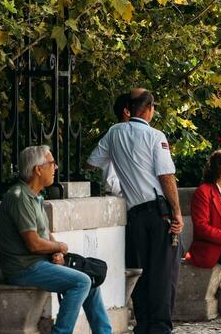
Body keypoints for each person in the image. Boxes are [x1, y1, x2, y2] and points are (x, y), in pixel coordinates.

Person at [86, 88, 181, 334]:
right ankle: (159, 328)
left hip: (135, 213)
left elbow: (93, 162)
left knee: (141, 272)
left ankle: (144, 324)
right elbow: (166, 176)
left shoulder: (114, 132)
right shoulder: (154, 135)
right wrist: (177, 212)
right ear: (149, 108)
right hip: (159, 211)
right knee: (163, 272)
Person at [0, 146, 113, 334]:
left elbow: (45, 235)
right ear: (37, 169)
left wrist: (57, 251)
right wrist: (59, 246)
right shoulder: (19, 197)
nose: (56, 167)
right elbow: (34, 244)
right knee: (81, 282)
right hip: (23, 268)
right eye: (51, 163)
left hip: (40, 263)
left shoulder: (36, 197)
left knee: (90, 276)